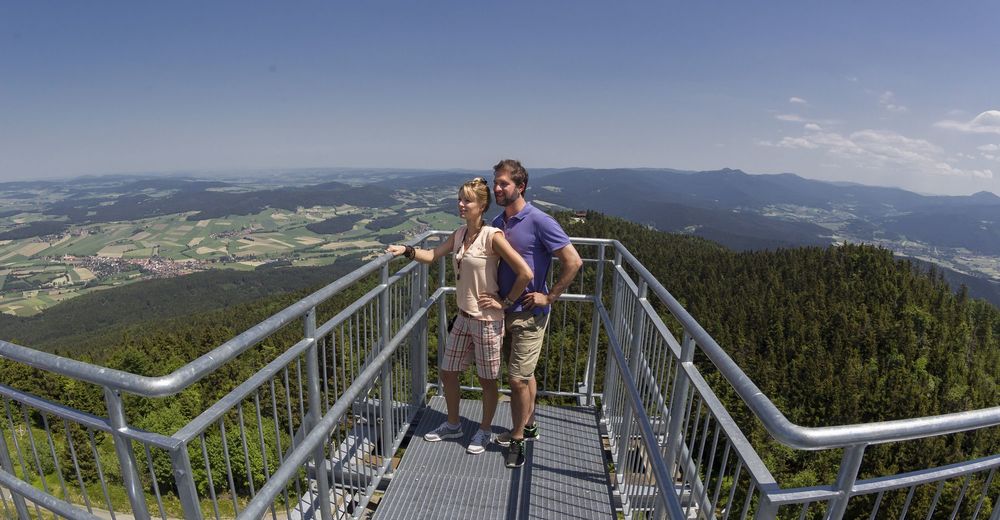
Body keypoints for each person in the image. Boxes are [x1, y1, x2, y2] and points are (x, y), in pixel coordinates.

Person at [386, 177, 532, 455]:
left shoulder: (493, 236)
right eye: (460, 199)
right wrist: (406, 250)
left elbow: (525, 272)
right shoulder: (459, 234)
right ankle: (453, 424)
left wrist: (506, 301)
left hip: (488, 320)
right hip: (463, 316)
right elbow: (431, 255)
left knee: (487, 380)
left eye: (467, 200)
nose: (461, 204)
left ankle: (484, 430)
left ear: (482, 206)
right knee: (448, 373)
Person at [491, 159, 582, 468]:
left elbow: (573, 261)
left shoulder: (541, 220)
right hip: (504, 310)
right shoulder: (498, 220)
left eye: (504, 183)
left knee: (516, 379)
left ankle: (517, 438)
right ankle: (529, 425)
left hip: (529, 313)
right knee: (524, 376)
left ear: (521, 187)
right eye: (496, 183)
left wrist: (550, 296)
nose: (498, 188)